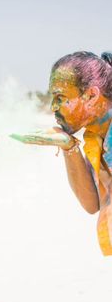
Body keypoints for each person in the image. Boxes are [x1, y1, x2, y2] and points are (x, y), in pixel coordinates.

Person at [10, 51, 112, 255]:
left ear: (91, 95)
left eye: (60, 97)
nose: (53, 107)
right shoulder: (95, 137)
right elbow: (92, 204)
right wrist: (69, 147)